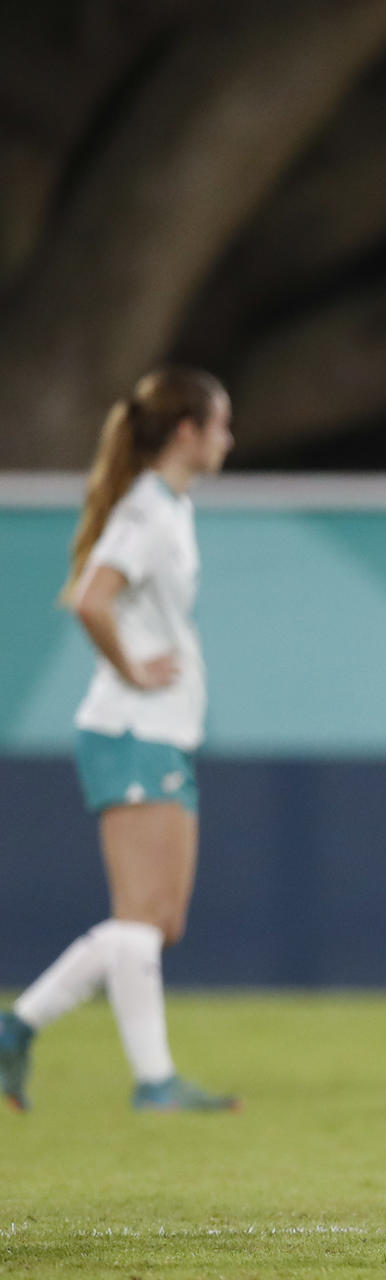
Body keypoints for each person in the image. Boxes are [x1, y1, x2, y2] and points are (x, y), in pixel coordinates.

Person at [0, 368, 238, 1114]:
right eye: (221, 424)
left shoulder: (169, 506)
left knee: (158, 922)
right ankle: (153, 1082)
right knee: (142, 916)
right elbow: (91, 598)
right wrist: (131, 668)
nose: (230, 438)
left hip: (158, 734)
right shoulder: (146, 513)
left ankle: (18, 1028)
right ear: (186, 432)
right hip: (132, 731)